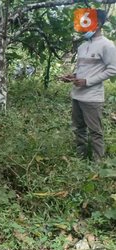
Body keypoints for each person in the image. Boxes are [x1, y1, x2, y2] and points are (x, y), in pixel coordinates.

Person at [61, 9, 116, 161]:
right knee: (79, 128)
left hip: (92, 97)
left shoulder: (107, 46)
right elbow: (83, 70)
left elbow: (112, 70)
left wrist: (88, 82)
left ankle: (98, 162)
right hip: (77, 95)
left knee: (95, 131)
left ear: (97, 24)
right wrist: (73, 76)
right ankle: (81, 157)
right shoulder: (83, 46)